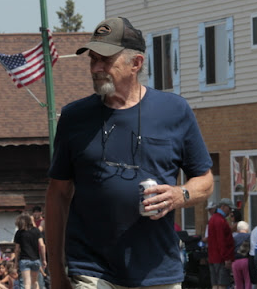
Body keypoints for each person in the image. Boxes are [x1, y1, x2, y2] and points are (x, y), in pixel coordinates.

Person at [45, 17, 214, 289]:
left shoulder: (174, 111)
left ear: (136, 63)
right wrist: (56, 272)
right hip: (92, 269)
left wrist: (178, 195)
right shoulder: (74, 117)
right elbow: (57, 194)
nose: (96, 68)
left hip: (157, 270)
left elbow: (205, 182)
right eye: (93, 60)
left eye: (105, 60)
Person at [13, 213, 46, 289]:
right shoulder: (36, 230)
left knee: (27, 283)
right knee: (35, 282)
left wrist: (16, 262)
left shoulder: (19, 232)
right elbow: (42, 245)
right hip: (36, 259)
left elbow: (17, 249)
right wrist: (44, 260)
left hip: (24, 260)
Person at [209, 198, 236, 289]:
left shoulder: (213, 218)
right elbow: (222, 241)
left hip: (213, 257)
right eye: (229, 208)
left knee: (215, 284)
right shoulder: (220, 220)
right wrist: (227, 258)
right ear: (223, 206)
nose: (230, 211)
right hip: (221, 258)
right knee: (222, 284)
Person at [232, 221, 251, 289]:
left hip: (235, 262)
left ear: (238, 229)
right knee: (248, 281)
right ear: (247, 228)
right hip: (246, 261)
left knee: (238, 283)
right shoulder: (249, 236)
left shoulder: (234, 237)